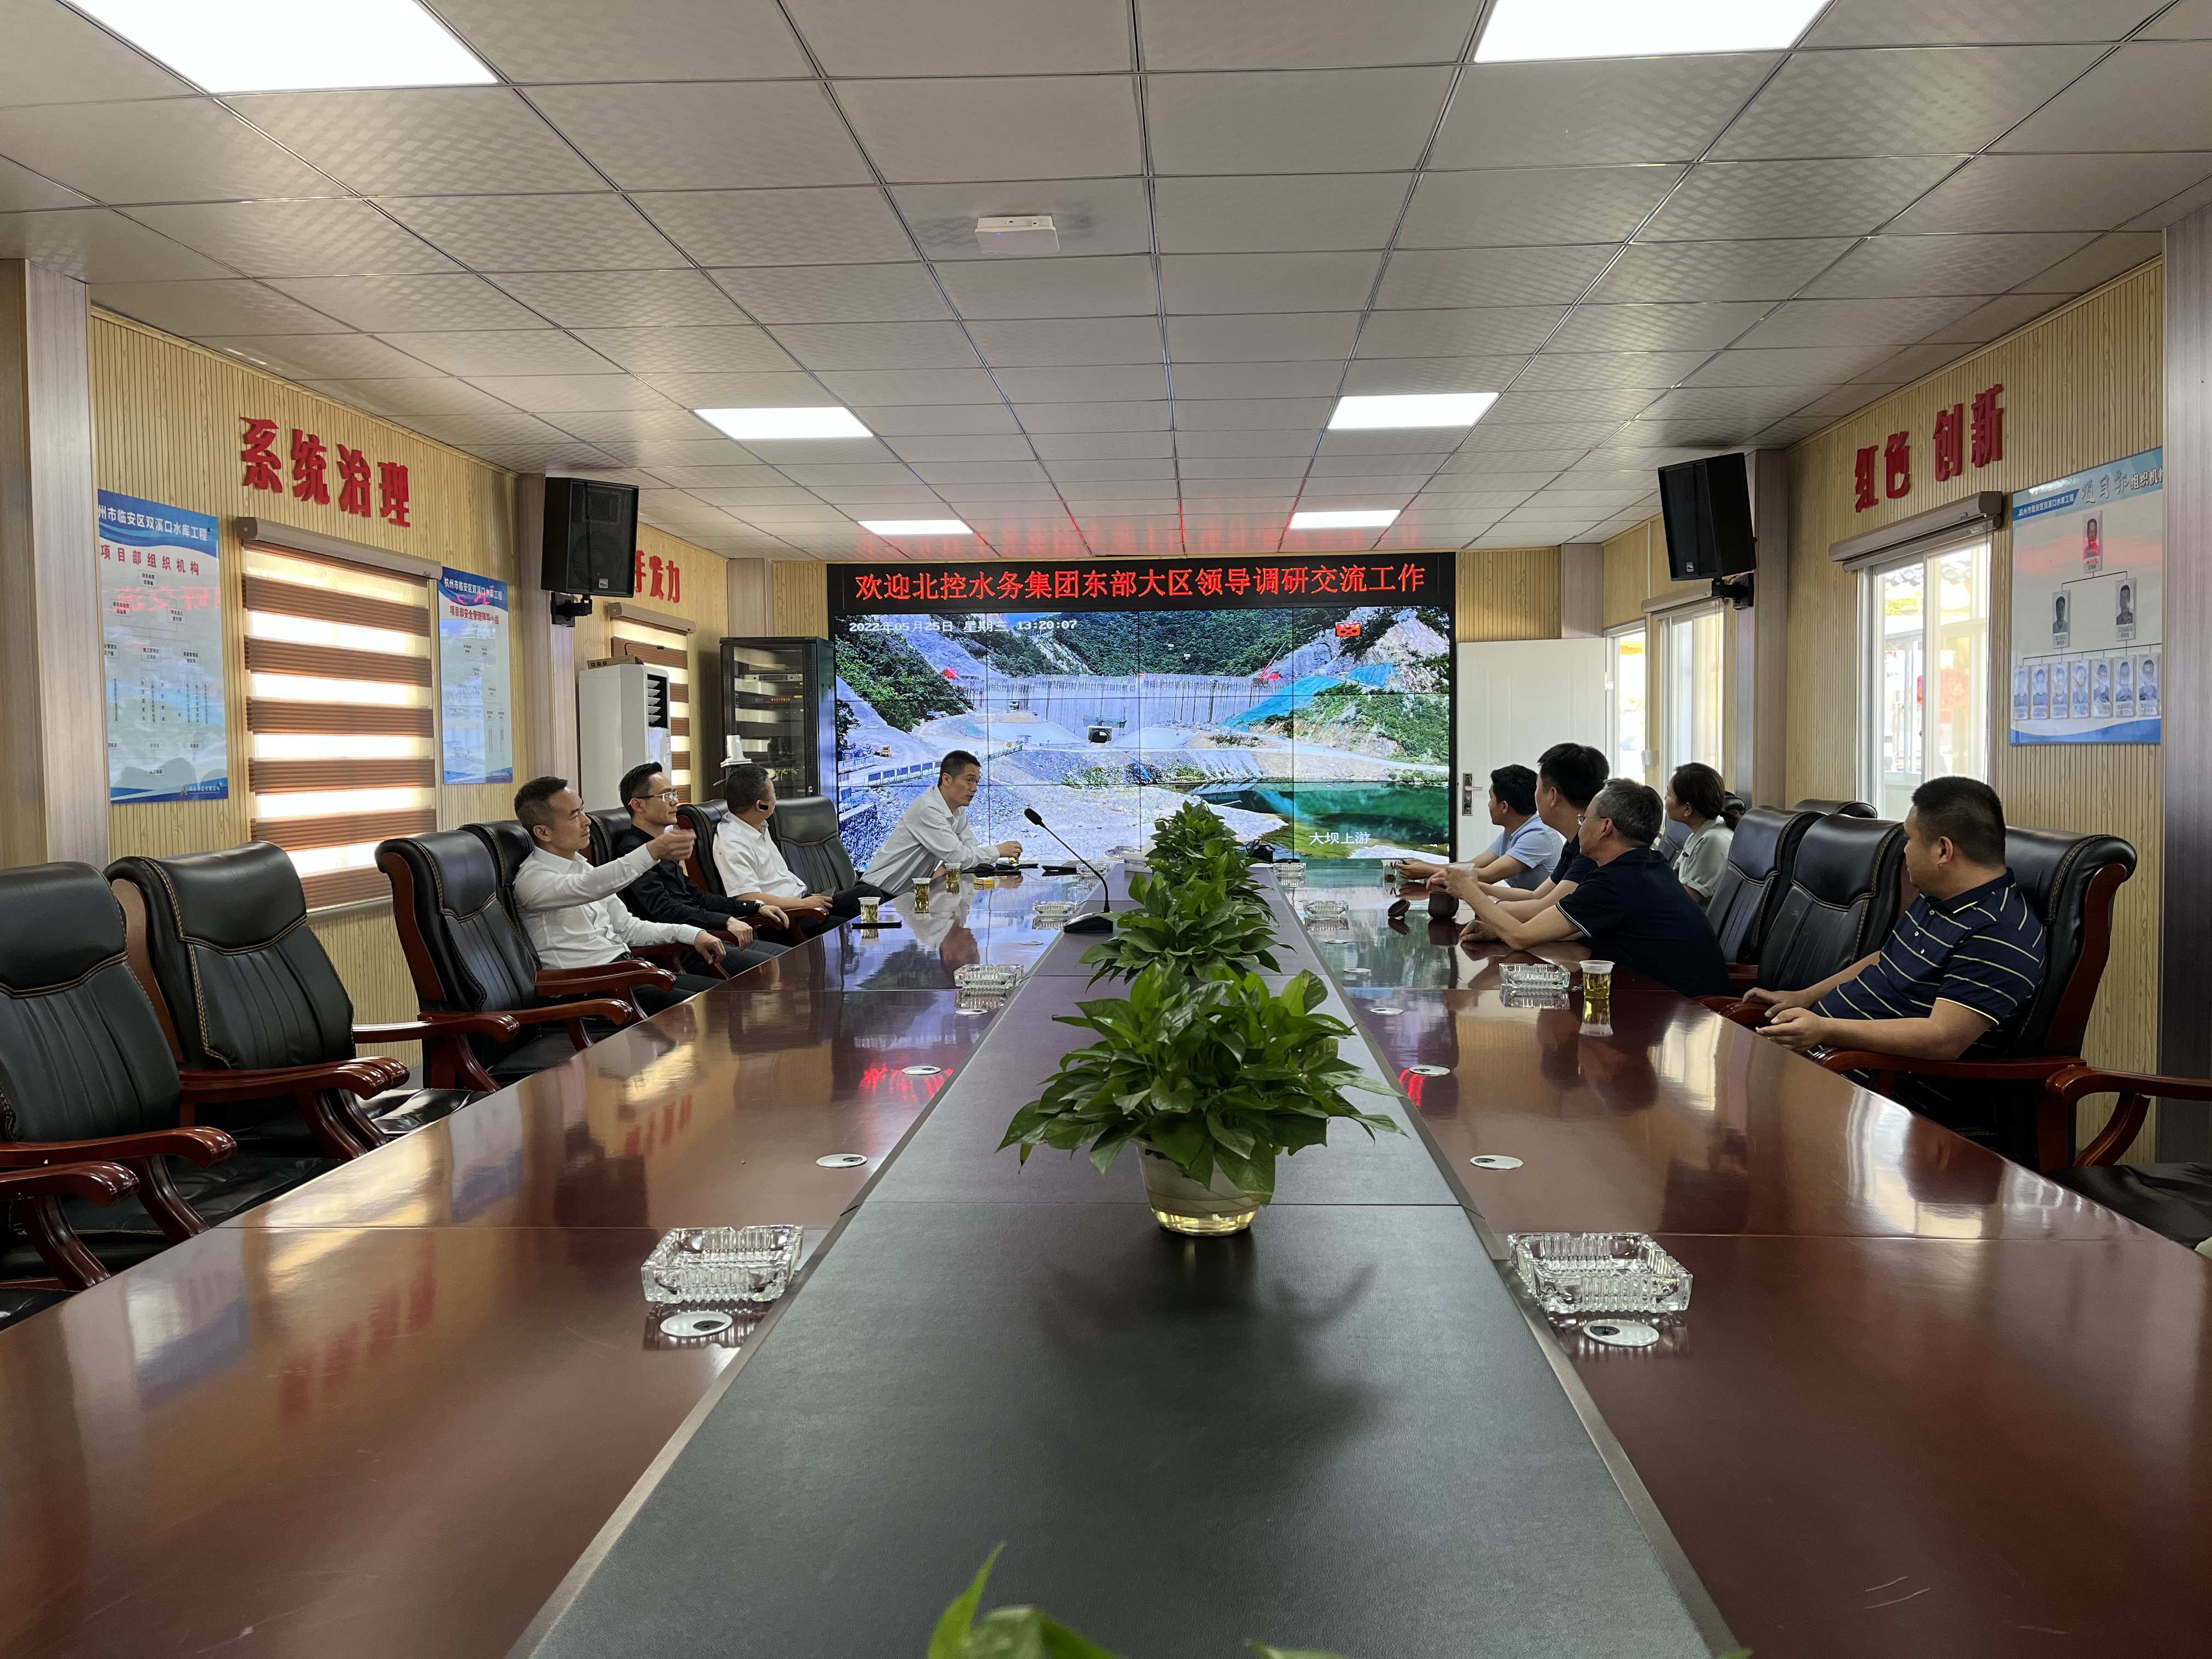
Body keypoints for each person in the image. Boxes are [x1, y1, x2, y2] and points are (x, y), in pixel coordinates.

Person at [1748, 776, 2045, 1117]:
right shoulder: (1940, 898)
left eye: (1910, 839)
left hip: (1882, 1089)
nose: (1904, 851)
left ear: (1943, 851)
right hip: (1829, 1061)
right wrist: (1804, 997)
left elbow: (1943, 1038)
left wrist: (1825, 1029)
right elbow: (1884, 958)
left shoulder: (1999, 933)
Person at [1458, 780, 1731, 998]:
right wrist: (1497, 928)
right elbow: (1573, 929)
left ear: (1605, 828)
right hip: (1666, 999)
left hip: (1686, 1011)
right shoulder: (1646, 863)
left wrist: (1468, 890)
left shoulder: (1617, 882)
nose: (1580, 828)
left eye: (1584, 820)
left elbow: (1521, 937)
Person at [510, 774, 730, 1015]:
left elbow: (628, 928)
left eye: (583, 810)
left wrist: (692, 934)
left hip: (626, 972)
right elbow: (590, 886)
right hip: (590, 989)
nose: (587, 821)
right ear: (543, 832)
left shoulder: (583, 867)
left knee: (730, 994)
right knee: (716, 1009)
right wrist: (652, 850)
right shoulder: (532, 880)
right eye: (574, 816)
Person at [608, 763, 788, 974]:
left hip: (707, 937)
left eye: (675, 794)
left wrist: (754, 907)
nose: (675, 801)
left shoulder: (663, 846)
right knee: (777, 967)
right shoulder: (632, 853)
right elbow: (664, 910)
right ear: (638, 805)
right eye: (666, 796)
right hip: (681, 949)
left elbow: (696, 896)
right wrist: (725, 921)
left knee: (791, 958)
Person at [1435, 741, 1610, 926]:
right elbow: (1535, 896)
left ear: (1552, 796)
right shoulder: (1574, 844)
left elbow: (1544, 909)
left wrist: (1476, 897)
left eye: (1537, 787)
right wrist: (1469, 885)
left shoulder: (1591, 851)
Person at [714, 763, 890, 935]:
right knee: (847, 929)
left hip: (801, 902)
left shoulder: (755, 823)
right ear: (761, 806)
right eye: (774, 793)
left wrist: (808, 900)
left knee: (869, 894)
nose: (776, 797)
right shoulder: (733, 842)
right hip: (783, 918)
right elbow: (748, 899)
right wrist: (805, 905)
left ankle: (876, 943)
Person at [861, 750, 1022, 894]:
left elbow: (968, 848)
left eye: (977, 782)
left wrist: (950, 864)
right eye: (970, 780)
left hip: (906, 896)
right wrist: (998, 851)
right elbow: (959, 856)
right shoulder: (928, 808)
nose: (974, 789)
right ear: (947, 779)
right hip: (876, 894)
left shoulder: (957, 809)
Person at [1400, 764, 1561, 894]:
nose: (1489, 805)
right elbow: (1474, 865)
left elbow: (1487, 876)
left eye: (1491, 799)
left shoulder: (1538, 835)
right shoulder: (1512, 832)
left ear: (1504, 807)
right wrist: (1425, 864)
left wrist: (1428, 871)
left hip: (1544, 911)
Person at [1667, 762, 1734, 908]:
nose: (1665, 799)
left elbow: (1683, 902)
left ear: (1687, 809)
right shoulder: (1700, 835)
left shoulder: (1713, 842)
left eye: (1669, 794)